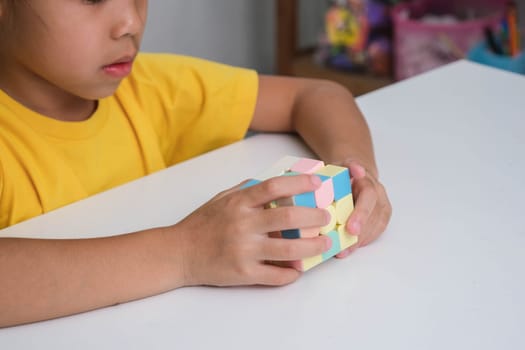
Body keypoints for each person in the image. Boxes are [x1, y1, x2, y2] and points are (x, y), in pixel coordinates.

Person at [0, 0, 392, 328]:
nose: (130, 22)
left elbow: (316, 95)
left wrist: (357, 173)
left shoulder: (150, 88)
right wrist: (187, 251)